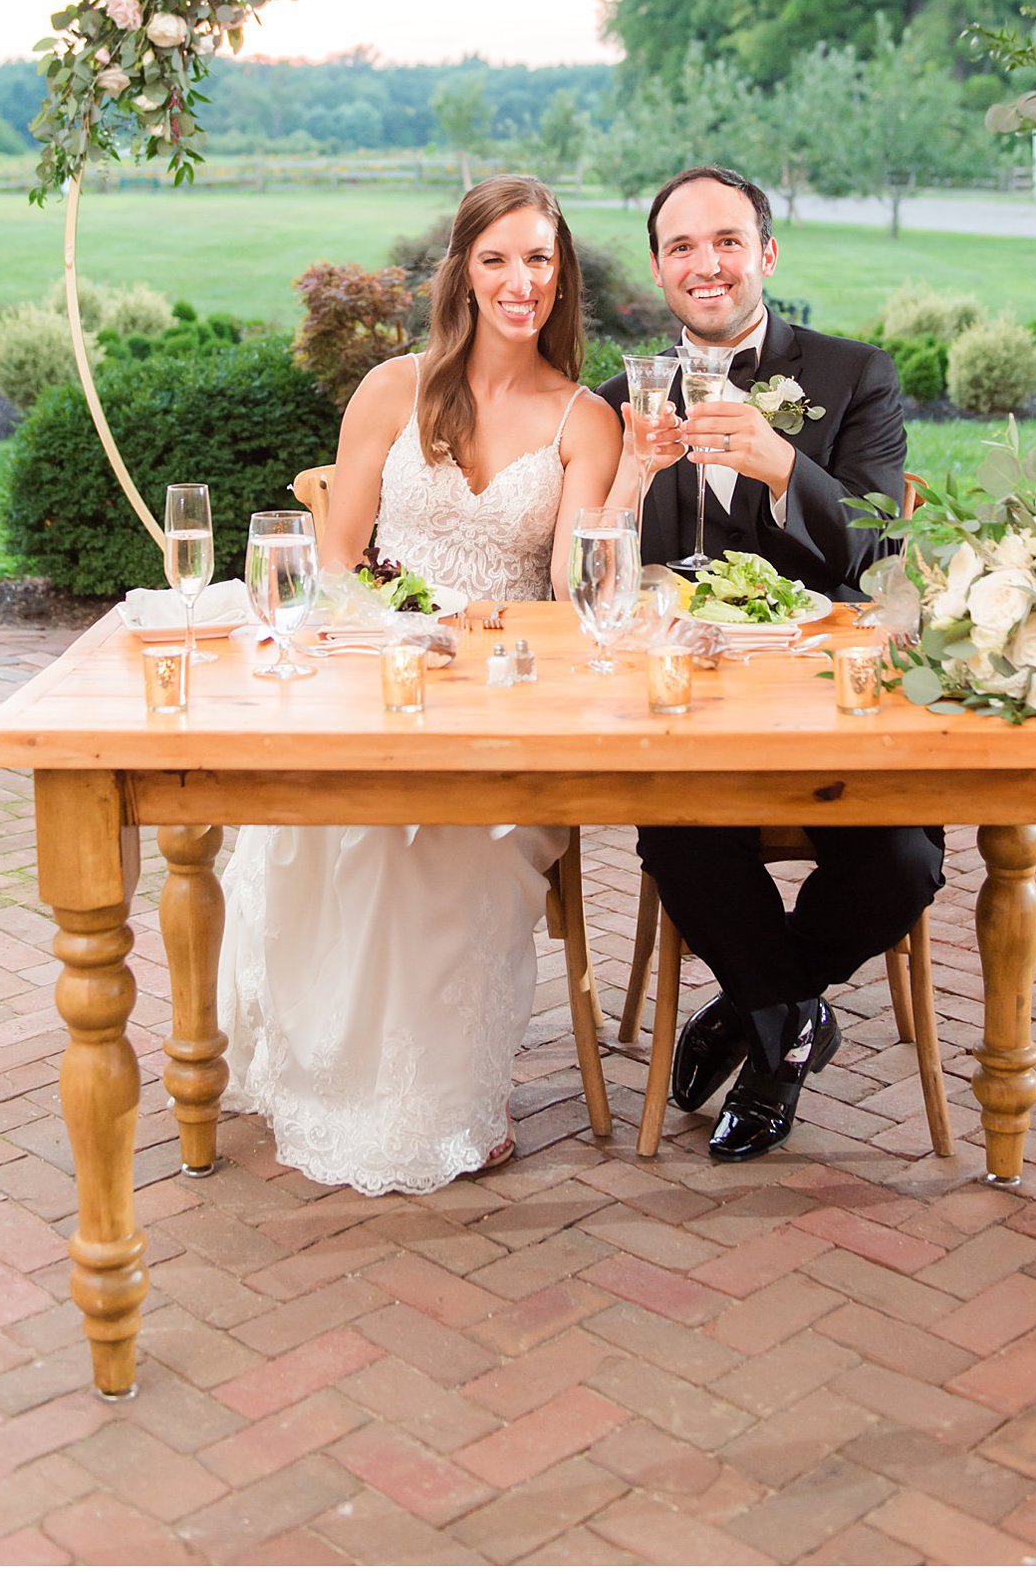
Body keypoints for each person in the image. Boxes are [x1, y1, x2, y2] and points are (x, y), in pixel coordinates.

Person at [218, 176, 622, 1195]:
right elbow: (338, 556)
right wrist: (406, 621)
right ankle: (326, 1077)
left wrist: (641, 481)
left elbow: (576, 597)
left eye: (538, 258)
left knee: (444, 835)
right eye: (496, 259)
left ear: (561, 272)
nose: (519, 280)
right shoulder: (394, 390)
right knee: (327, 812)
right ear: (461, 274)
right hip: (379, 663)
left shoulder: (585, 420)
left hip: (506, 699)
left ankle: (442, 1104)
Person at [599, 164, 944, 1161]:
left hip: (830, 698)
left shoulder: (850, 375)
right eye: (680, 247)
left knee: (904, 858)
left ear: (764, 255)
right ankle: (790, 1020)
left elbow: (879, 553)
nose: (704, 264)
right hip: (688, 700)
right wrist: (630, 471)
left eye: (724, 242)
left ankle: (750, 1010)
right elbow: (595, 576)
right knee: (677, 837)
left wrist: (784, 464)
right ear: (660, 269)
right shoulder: (618, 396)